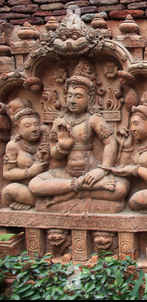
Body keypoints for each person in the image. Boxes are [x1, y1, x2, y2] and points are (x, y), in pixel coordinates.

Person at [28, 58, 130, 213]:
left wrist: (102, 170)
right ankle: (78, 188)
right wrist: (62, 147)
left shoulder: (93, 119)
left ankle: (64, 196)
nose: (72, 100)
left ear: (89, 98)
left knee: (122, 188)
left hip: (91, 170)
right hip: (66, 173)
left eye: (78, 96)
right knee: (34, 185)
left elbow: (111, 143)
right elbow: (53, 155)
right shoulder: (59, 122)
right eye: (69, 96)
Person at [111, 104, 147, 214]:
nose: (132, 129)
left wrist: (135, 170)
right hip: (138, 188)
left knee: (135, 201)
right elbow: (123, 166)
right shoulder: (138, 145)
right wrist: (126, 145)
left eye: (136, 124)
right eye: (131, 125)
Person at [2, 98, 49, 210]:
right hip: (26, 188)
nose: (34, 129)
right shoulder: (13, 145)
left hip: (46, 186)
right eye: (27, 126)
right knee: (9, 190)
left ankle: (45, 204)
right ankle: (44, 204)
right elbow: (7, 173)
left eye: (36, 125)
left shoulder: (44, 140)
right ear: (18, 128)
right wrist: (29, 172)